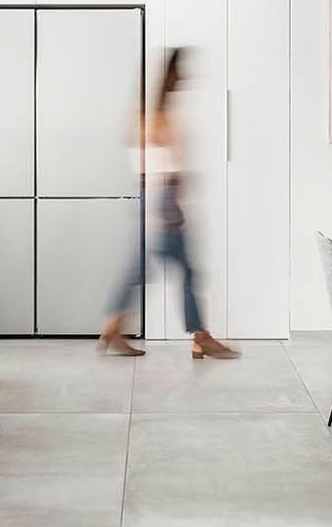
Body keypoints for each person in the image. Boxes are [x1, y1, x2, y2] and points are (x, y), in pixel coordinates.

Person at [98, 47, 236, 359]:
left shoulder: (151, 115)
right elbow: (160, 169)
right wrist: (169, 210)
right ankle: (200, 337)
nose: (186, 80)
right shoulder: (156, 118)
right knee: (182, 271)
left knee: (148, 270)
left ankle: (115, 327)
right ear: (171, 77)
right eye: (181, 74)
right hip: (163, 203)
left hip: (158, 202)